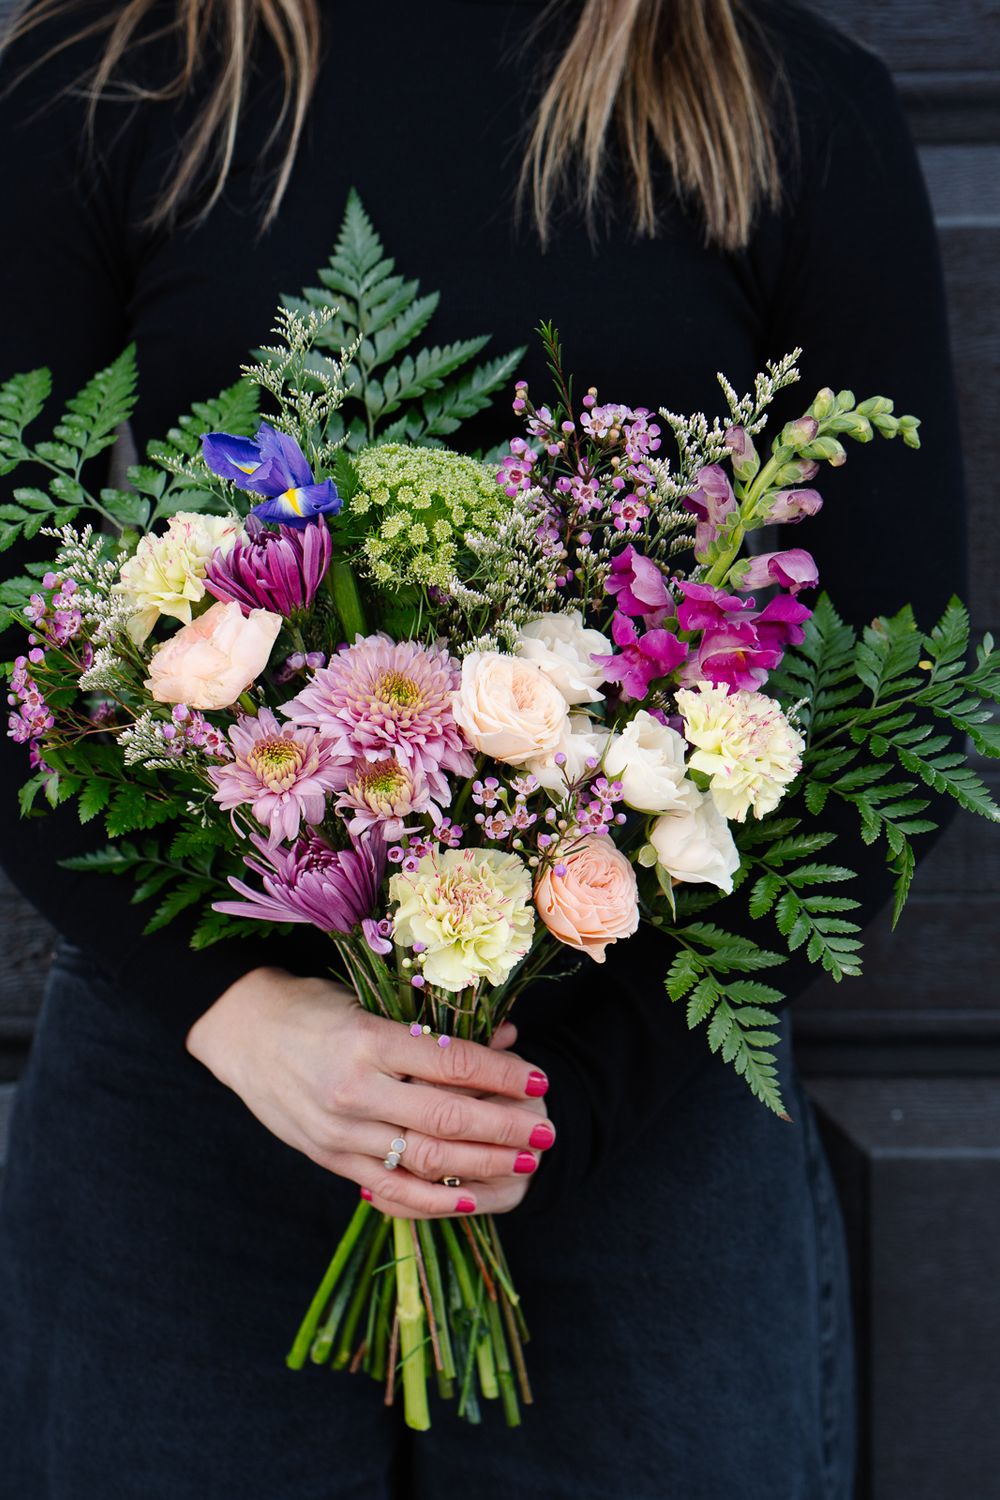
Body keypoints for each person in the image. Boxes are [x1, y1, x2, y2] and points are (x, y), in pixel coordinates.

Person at [0, 1, 964, 1496]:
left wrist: (539, 1116)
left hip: (635, 1095)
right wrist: (235, 1014)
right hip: (198, 1089)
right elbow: (9, 619)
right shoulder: (119, 73)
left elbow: (899, 652)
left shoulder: (777, 93)